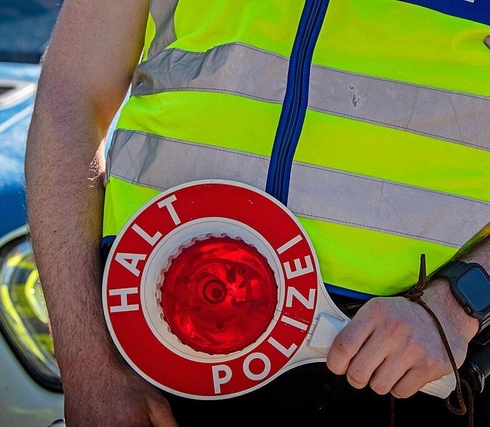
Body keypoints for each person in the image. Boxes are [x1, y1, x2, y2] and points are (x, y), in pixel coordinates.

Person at [25, 1, 489, 426]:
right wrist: (89, 367)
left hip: (405, 361)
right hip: (156, 345)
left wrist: (461, 303)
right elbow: (72, 95)